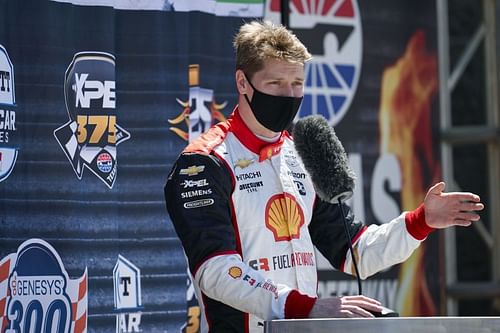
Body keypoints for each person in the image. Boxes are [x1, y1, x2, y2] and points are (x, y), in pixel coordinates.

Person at [164, 20, 484, 332]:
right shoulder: (204, 163)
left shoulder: (302, 152)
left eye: (297, 84)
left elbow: (355, 253)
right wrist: (303, 307)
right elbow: (215, 271)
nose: (289, 95)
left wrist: (420, 221)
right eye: (275, 84)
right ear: (243, 82)